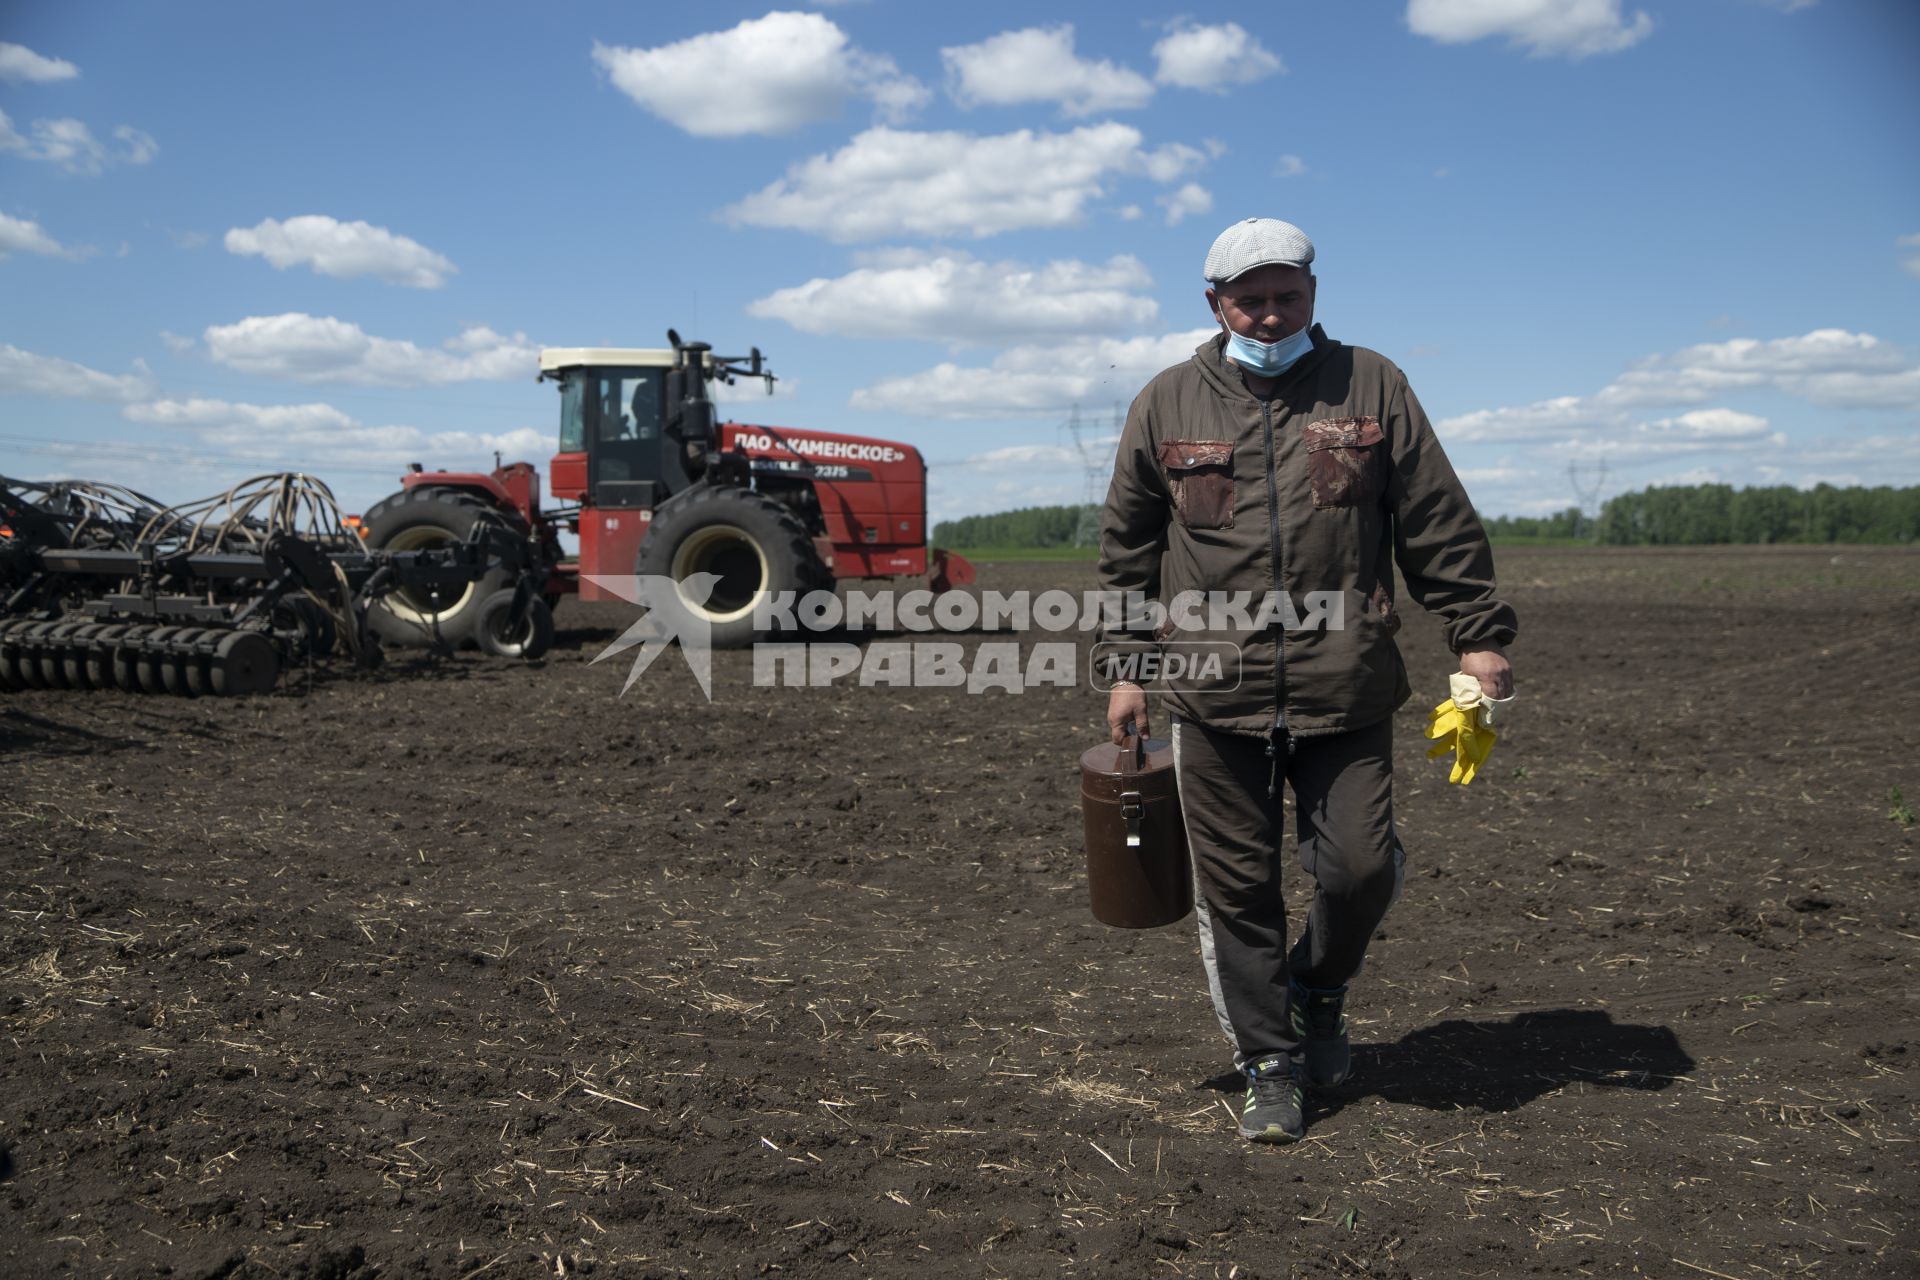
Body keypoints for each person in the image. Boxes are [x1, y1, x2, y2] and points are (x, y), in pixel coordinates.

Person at [1096, 217, 1517, 1144]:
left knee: (1360, 871)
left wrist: (1476, 632)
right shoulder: (1166, 403)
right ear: (1215, 304)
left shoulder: (1372, 384)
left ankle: (1319, 989)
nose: (1272, 313)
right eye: (1252, 298)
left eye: (1289, 294)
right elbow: (1127, 547)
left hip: (1347, 684)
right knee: (1239, 892)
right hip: (1213, 692)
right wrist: (1125, 671)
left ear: (1314, 295)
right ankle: (1271, 1063)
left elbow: (1434, 516)